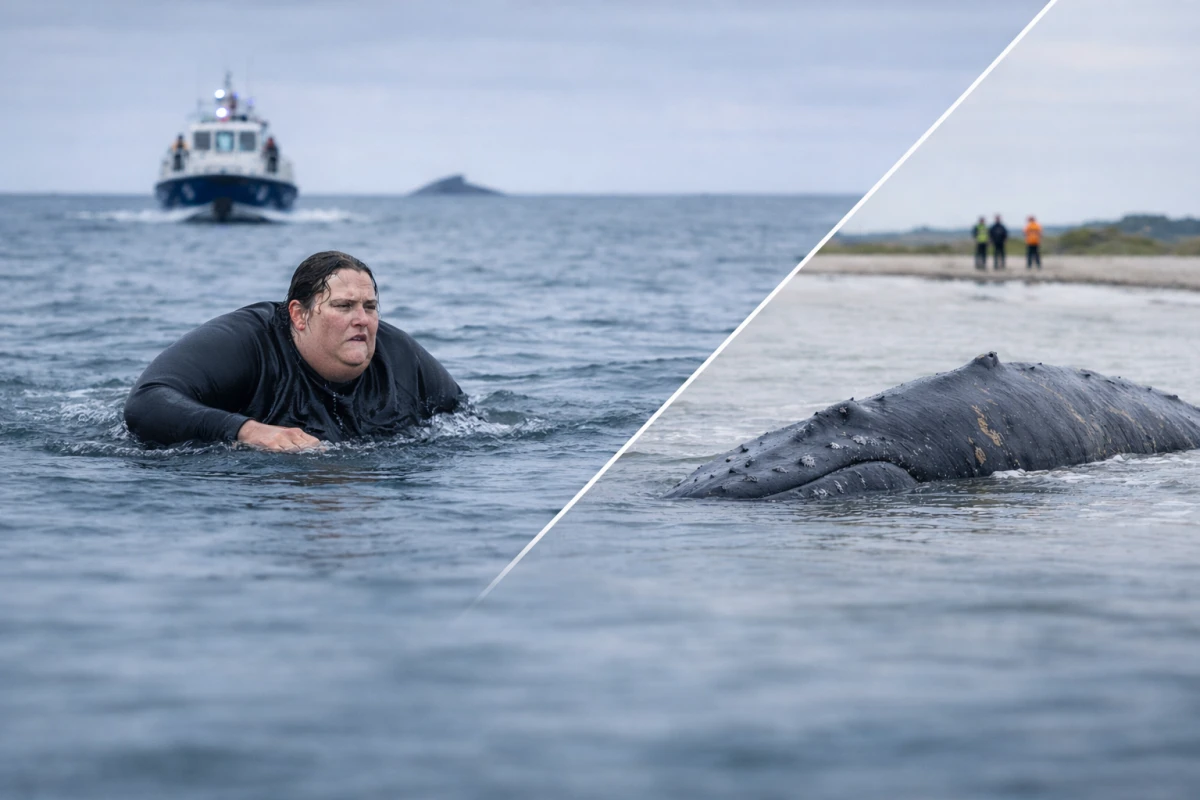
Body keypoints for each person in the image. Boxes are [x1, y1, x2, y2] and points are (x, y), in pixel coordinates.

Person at [124, 251, 464, 451]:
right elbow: (147, 402)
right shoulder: (245, 343)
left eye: (370, 307)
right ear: (299, 315)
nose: (362, 320)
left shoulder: (401, 360)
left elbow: (467, 423)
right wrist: (248, 430)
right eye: (344, 306)